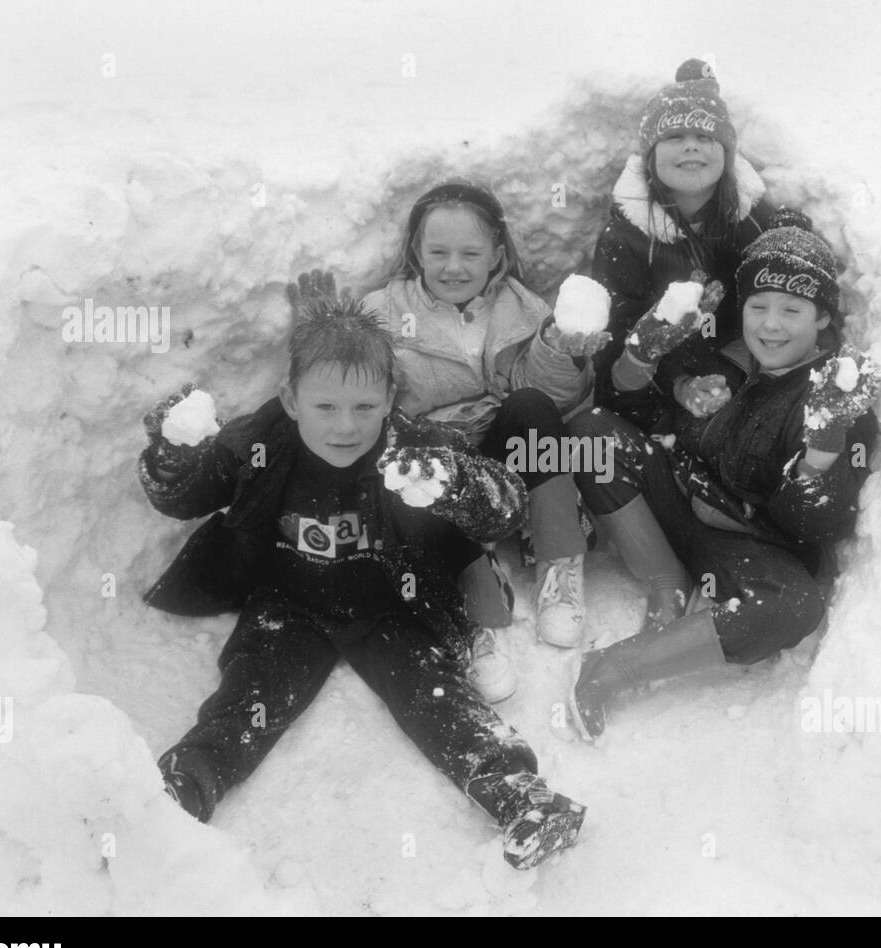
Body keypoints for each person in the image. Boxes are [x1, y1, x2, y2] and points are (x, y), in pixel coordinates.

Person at [137, 296, 585, 869]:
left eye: (363, 405)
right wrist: (174, 457)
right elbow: (188, 497)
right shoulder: (259, 443)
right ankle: (174, 795)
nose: (345, 425)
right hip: (290, 604)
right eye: (325, 405)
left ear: (390, 401)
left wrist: (454, 484)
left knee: (436, 701)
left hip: (393, 603)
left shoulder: (417, 450)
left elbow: (503, 507)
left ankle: (522, 796)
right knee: (247, 699)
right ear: (290, 402)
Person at [567, 226, 881, 740]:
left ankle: (615, 668)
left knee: (794, 606)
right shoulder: (732, 358)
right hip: (680, 501)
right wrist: (652, 365)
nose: (771, 325)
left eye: (792, 310)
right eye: (759, 305)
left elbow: (817, 527)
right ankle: (666, 580)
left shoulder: (837, 393)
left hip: (746, 545)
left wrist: (820, 454)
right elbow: (635, 415)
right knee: (589, 433)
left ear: (823, 316)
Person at [330, 181, 606, 700]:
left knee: (533, 408)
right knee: (417, 466)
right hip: (438, 455)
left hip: (503, 454)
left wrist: (560, 352)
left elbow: (556, 402)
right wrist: (327, 339)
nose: (453, 266)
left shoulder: (523, 308)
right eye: (438, 252)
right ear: (416, 252)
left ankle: (558, 561)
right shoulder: (383, 311)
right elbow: (356, 390)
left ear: (496, 255)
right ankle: (479, 598)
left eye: (470, 253)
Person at [590, 57, 810, 433]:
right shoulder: (624, 237)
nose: (691, 147)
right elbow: (614, 341)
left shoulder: (753, 220)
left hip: (746, 365)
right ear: (651, 155)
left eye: (706, 137)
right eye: (674, 137)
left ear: (726, 154)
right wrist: (678, 382)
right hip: (660, 383)